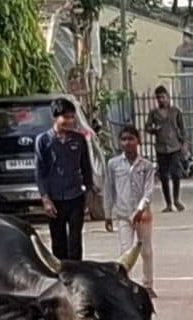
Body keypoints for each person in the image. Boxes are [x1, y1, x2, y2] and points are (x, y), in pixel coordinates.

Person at [33, 98, 96, 262]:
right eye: (65, 117)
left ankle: (76, 273)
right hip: (54, 199)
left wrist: (89, 191)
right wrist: (45, 198)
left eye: (72, 117)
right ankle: (62, 275)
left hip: (75, 197)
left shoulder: (79, 139)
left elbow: (86, 167)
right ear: (55, 117)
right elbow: (40, 173)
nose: (69, 121)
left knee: (75, 241)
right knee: (58, 242)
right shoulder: (44, 141)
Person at [104, 127, 160, 289]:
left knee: (146, 251)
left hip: (143, 216)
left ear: (138, 141)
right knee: (125, 251)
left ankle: (148, 285)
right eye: (124, 139)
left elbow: (148, 190)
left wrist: (140, 209)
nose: (127, 143)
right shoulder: (113, 164)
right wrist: (108, 214)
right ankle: (124, 285)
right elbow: (109, 190)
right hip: (123, 214)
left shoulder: (146, 165)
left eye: (131, 139)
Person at [146, 86, 188, 213]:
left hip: (175, 146)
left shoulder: (175, 111)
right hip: (161, 148)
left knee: (176, 174)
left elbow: (182, 128)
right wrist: (154, 130)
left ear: (168, 97)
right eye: (158, 98)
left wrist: (184, 143)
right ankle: (168, 203)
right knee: (164, 176)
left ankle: (176, 199)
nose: (161, 100)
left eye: (163, 97)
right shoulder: (153, 113)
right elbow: (147, 127)